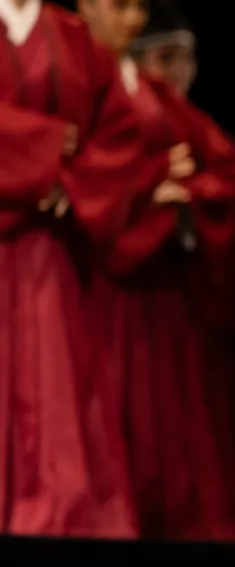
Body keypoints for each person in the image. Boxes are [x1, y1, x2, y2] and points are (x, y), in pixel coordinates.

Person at [78, 0, 235, 540]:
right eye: (166, 57)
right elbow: (85, 174)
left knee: (179, 437)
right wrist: (149, 184)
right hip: (112, 298)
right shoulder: (102, 90)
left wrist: (186, 195)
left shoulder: (167, 108)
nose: (179, 72)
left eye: (186, 58)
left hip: (169, 304)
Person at [0, 0, 147, 537]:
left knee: (56, 385)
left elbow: (121, 133)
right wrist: (43, 146)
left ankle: (60, 521)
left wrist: (68, 184)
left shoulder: (73, 37)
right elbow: (47, 140)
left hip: (51, 246)